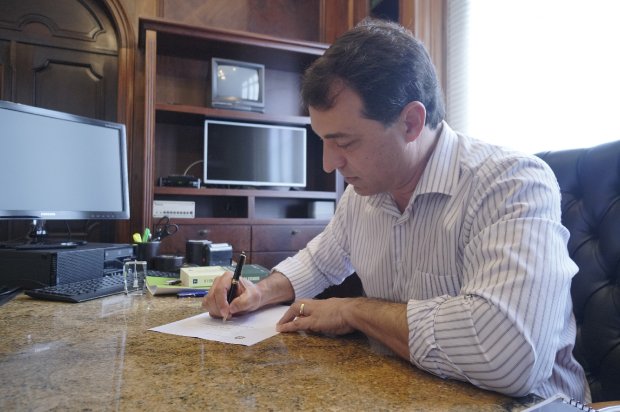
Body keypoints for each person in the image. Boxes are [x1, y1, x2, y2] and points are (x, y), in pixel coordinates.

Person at [203, 18, 588, 401]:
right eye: (323, 141)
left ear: (411, 123)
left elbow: (508, 357)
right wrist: (258, 293)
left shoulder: (511, 184)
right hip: (410, 395)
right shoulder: (364, 194)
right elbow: (319, 262)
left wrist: (354, 311)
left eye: (345, 142)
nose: (328, 163)